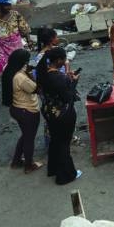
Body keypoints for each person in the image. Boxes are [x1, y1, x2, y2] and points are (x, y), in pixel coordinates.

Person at [39, 47, 81, 185]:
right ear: (58, 60)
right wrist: (74, 82)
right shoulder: (58, 77)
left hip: (49, 111)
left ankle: (53, 168)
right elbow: (68, 96)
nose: (65, 62)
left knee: (55, 140)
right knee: (63, 143)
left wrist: (67, 80)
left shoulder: (43, 73)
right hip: (62, 113)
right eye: (63, 60)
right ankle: (66, 175)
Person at [1, 48, 42, 173]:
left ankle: (16, 161)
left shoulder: (9, 70)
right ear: (22, 62)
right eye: (27, 60)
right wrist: (32, 75)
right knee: (29, 139)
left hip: (16, 108)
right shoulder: (21, 77)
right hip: (28, 111)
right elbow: (36, 89)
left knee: (25, 136)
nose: (28, 63)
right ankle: (29, 166)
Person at [0, 0, 32, 76]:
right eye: (6, 5)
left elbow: (24, 28)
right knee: (3, 71)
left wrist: (29, 40)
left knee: (18, 70)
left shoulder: (15, 14)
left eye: (10, 5)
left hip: (15, 47)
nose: (9, 7)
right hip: (0, 48)